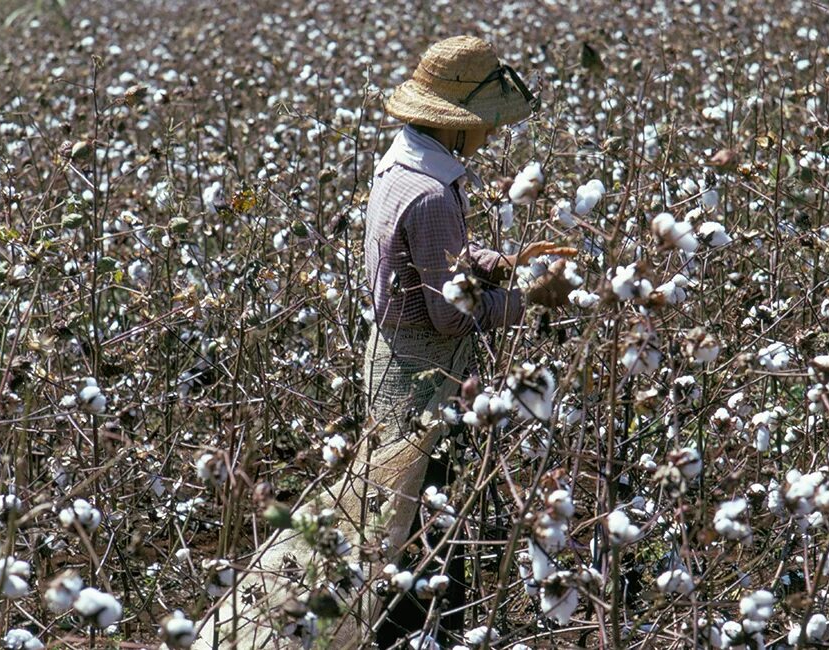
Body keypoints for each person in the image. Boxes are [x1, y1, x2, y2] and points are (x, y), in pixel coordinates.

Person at [193, 35, 572, 650]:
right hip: (423, 371)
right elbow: (449, 316)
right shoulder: (429, 194)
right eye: (484, 125)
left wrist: (500, 261)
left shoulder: (402, 167)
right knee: (412, 523)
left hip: (394, 358)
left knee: (388, 514)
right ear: (455, 126)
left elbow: (430, 260)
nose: (491, 137)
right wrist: (531, 300)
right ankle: (409, 634)